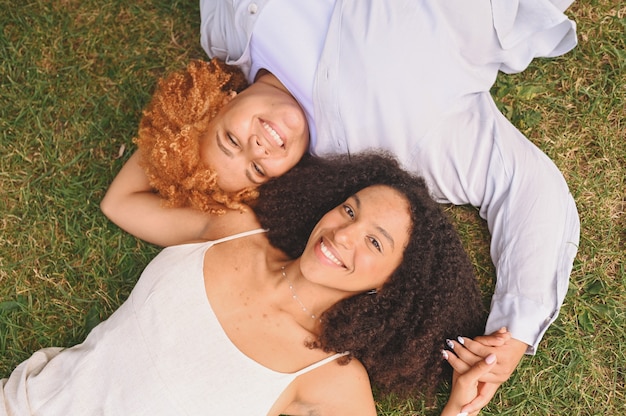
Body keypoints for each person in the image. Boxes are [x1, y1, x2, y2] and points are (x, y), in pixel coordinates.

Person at [199, 0, 581, 412]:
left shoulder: (226, 32)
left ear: (217, 104)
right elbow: (526, 187)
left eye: (229, 140)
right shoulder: (404, 142)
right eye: (258, 171)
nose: (256, 148)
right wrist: (514, 332)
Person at [3, 153, 487, 415]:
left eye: (375, 244)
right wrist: (191, 114)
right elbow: (122, 202)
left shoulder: (329, 377)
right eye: (349, 210)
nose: (343, 234)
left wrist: (459, 410)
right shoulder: (238, 228)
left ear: (392, 286)